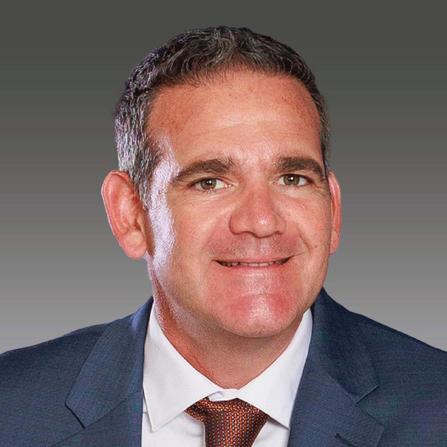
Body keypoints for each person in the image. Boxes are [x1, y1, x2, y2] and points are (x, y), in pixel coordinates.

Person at [1, 26, 446, 447]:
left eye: (292, 178)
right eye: (210, 182)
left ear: (333, 210)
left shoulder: (436, 405)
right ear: (130, 215)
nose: (262, 221)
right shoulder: (12, 407)